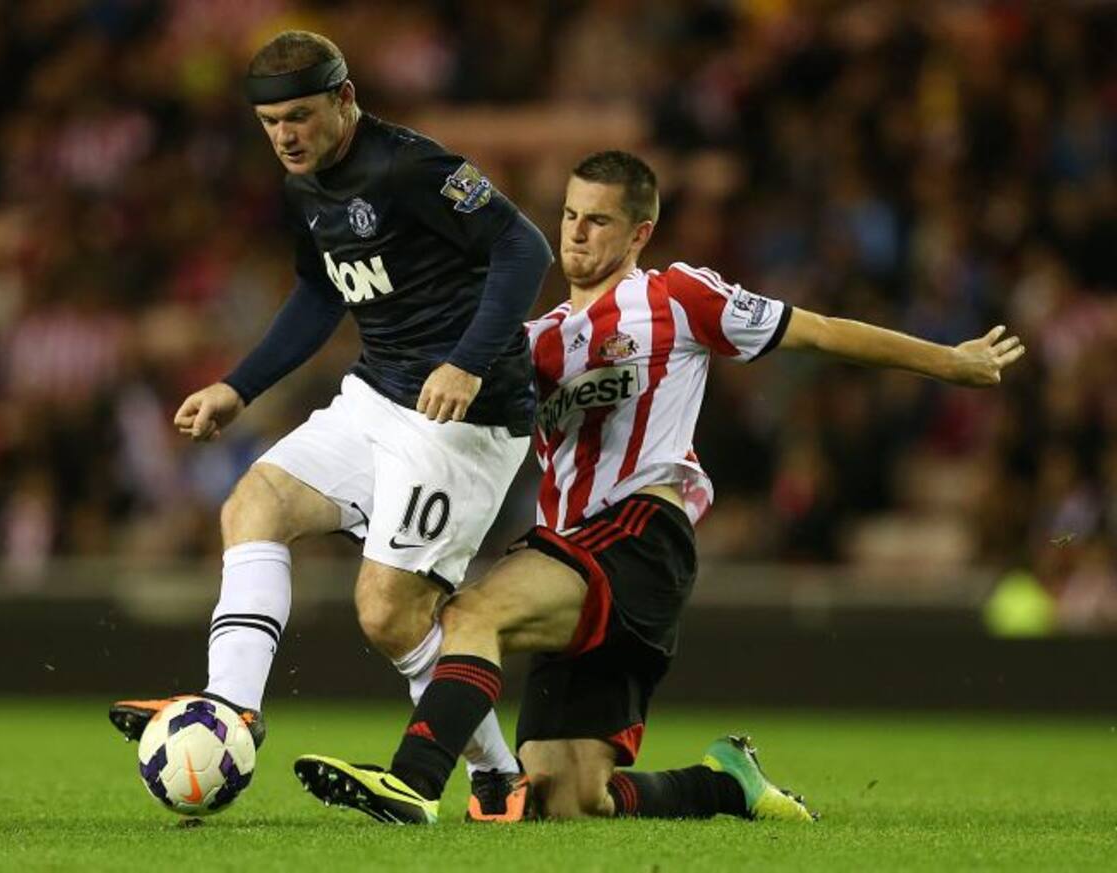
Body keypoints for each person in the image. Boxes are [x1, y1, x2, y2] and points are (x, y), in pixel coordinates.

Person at [293, 150, 1026, 824]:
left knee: (475, 612)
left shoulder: (677, 297)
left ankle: (412, 782)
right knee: (569, 796)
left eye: (599, 220)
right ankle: (725, 780)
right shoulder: (531, 341)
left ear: (640, 231)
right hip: (568, 548)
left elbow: (822, 331)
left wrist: (949, 361)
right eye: (570, 216)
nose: (577, 234)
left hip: (641, 532)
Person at [107, 30, 554, 821]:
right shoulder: (303, 187)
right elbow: (320, 295)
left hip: (464, 417)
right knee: (255, 504)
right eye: (272, 122)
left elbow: (524, 246)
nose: (286, 135)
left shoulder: (411, 167)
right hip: (376, 395)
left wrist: (470, 360)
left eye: (302, 116)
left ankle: (494, 773)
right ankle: (230, 709)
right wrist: (236, 387)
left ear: (345, 100)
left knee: (388, 613)